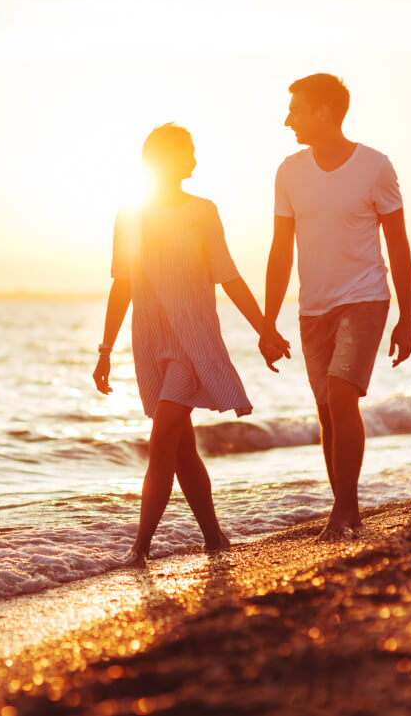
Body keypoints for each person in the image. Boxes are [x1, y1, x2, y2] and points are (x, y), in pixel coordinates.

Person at [93, 123, 288, 567]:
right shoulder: (130, 215)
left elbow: (228, 275)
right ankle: (214, 537)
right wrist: (105, 349)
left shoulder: (203, 211)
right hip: (149, 340)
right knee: (182, 447)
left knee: (162, 437)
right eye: (187, 153)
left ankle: (139, 549)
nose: (195, 161)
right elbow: (121, 284)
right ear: (162, 160)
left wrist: (264, 328)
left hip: (192, 340)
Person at [260, 73, 411, 541]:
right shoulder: (289, 171)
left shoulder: (375, 167)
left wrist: (406, 317)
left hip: (365, 297)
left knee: (342, 395)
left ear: (324, 112)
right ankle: (345, 506)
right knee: (327, 409)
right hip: (314, 307)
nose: (288, 120)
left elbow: (398, 243)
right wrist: (268, 322)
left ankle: (344, 510)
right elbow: (280, 250)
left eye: (297, 110)